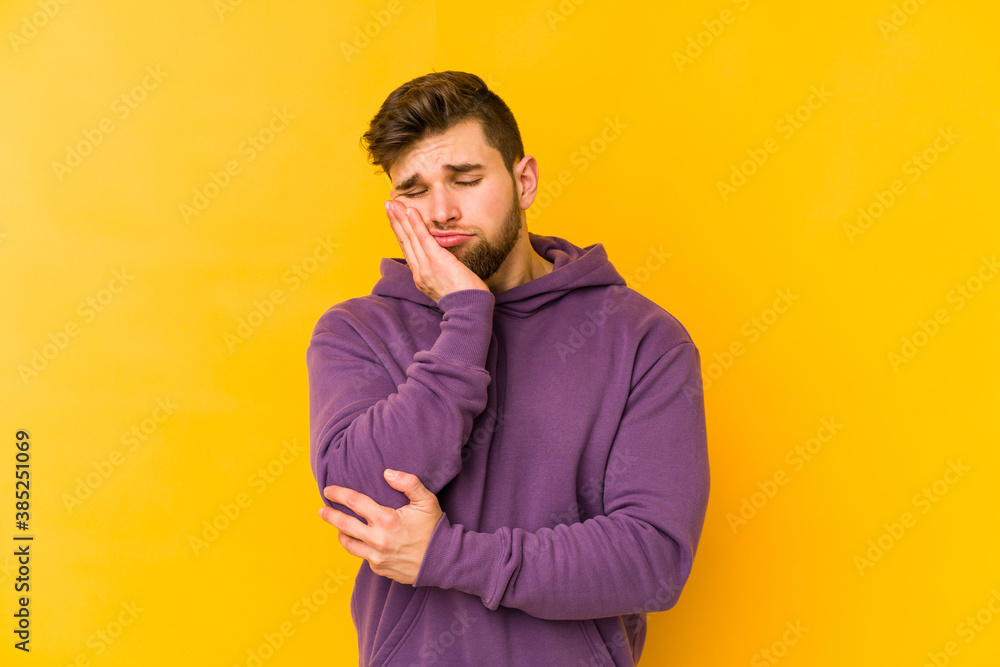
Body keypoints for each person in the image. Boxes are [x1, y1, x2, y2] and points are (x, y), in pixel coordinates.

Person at [307, 70, 710, 666]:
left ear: (524, 181)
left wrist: (449, 556)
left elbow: (653, 561)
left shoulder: (643, 340)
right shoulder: (358, 332)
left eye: (465, 179)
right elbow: (361, 498)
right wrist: (466, 316)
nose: (441, 211)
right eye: (414, 192)